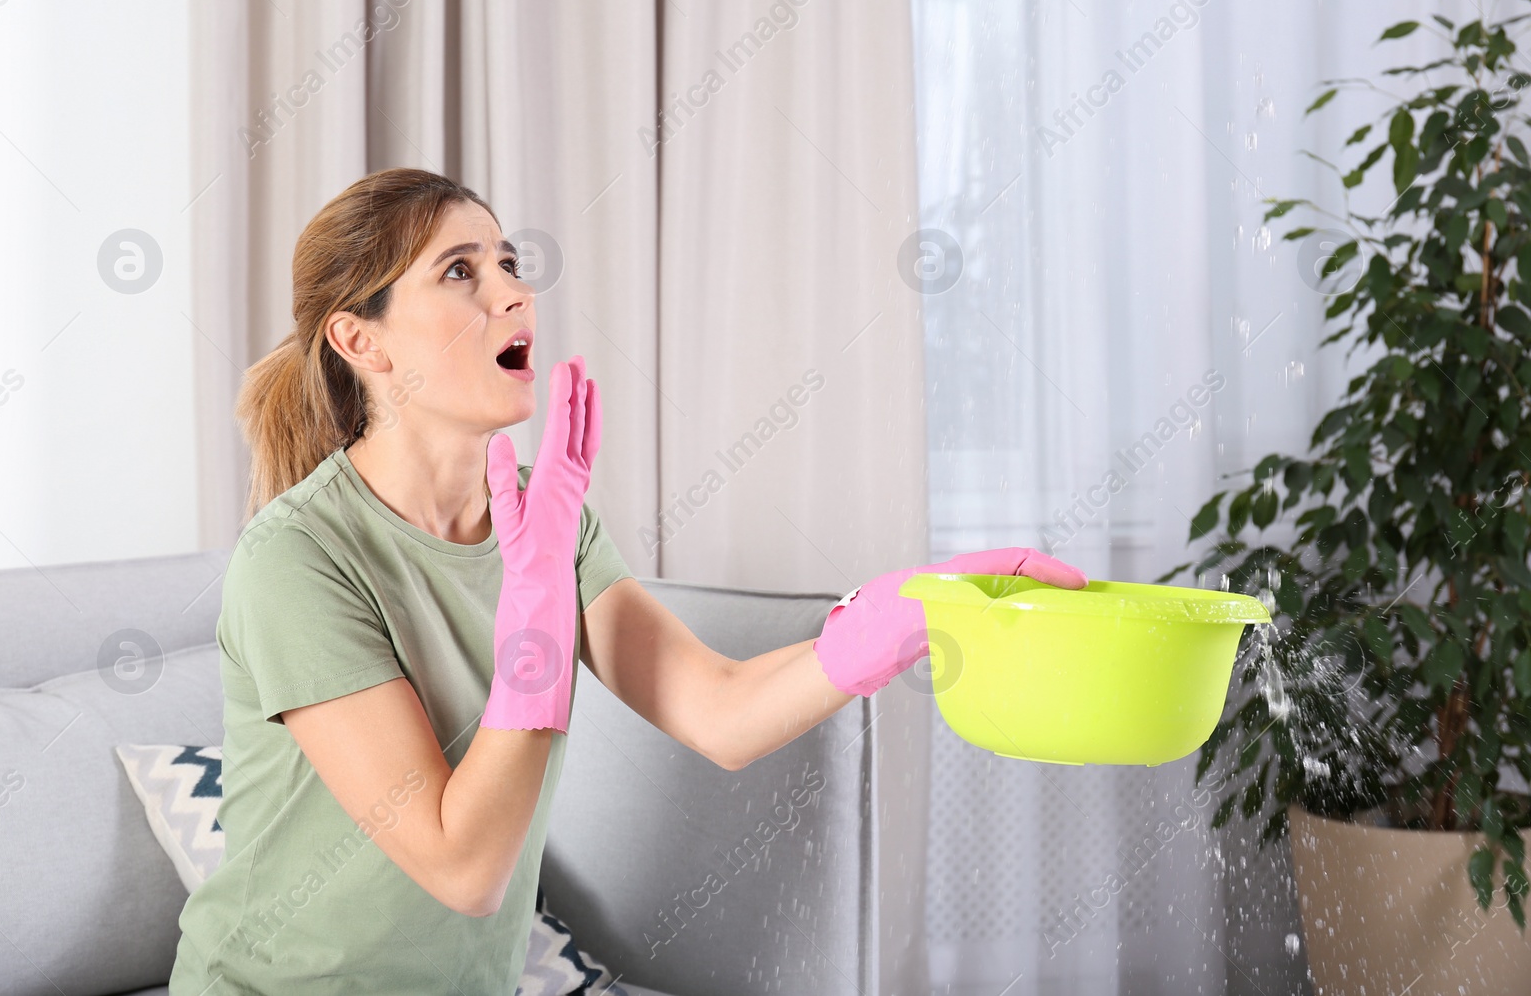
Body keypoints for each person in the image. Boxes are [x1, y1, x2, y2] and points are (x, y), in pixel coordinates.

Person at [168, 166, 1087, 994]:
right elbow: (464, 864)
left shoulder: (547, 527)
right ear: (361, 342)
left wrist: (905, 613)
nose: (514, 293)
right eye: (460, 271)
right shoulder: (297, 558)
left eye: (508, 261)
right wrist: (532, 608)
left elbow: (721, 711)